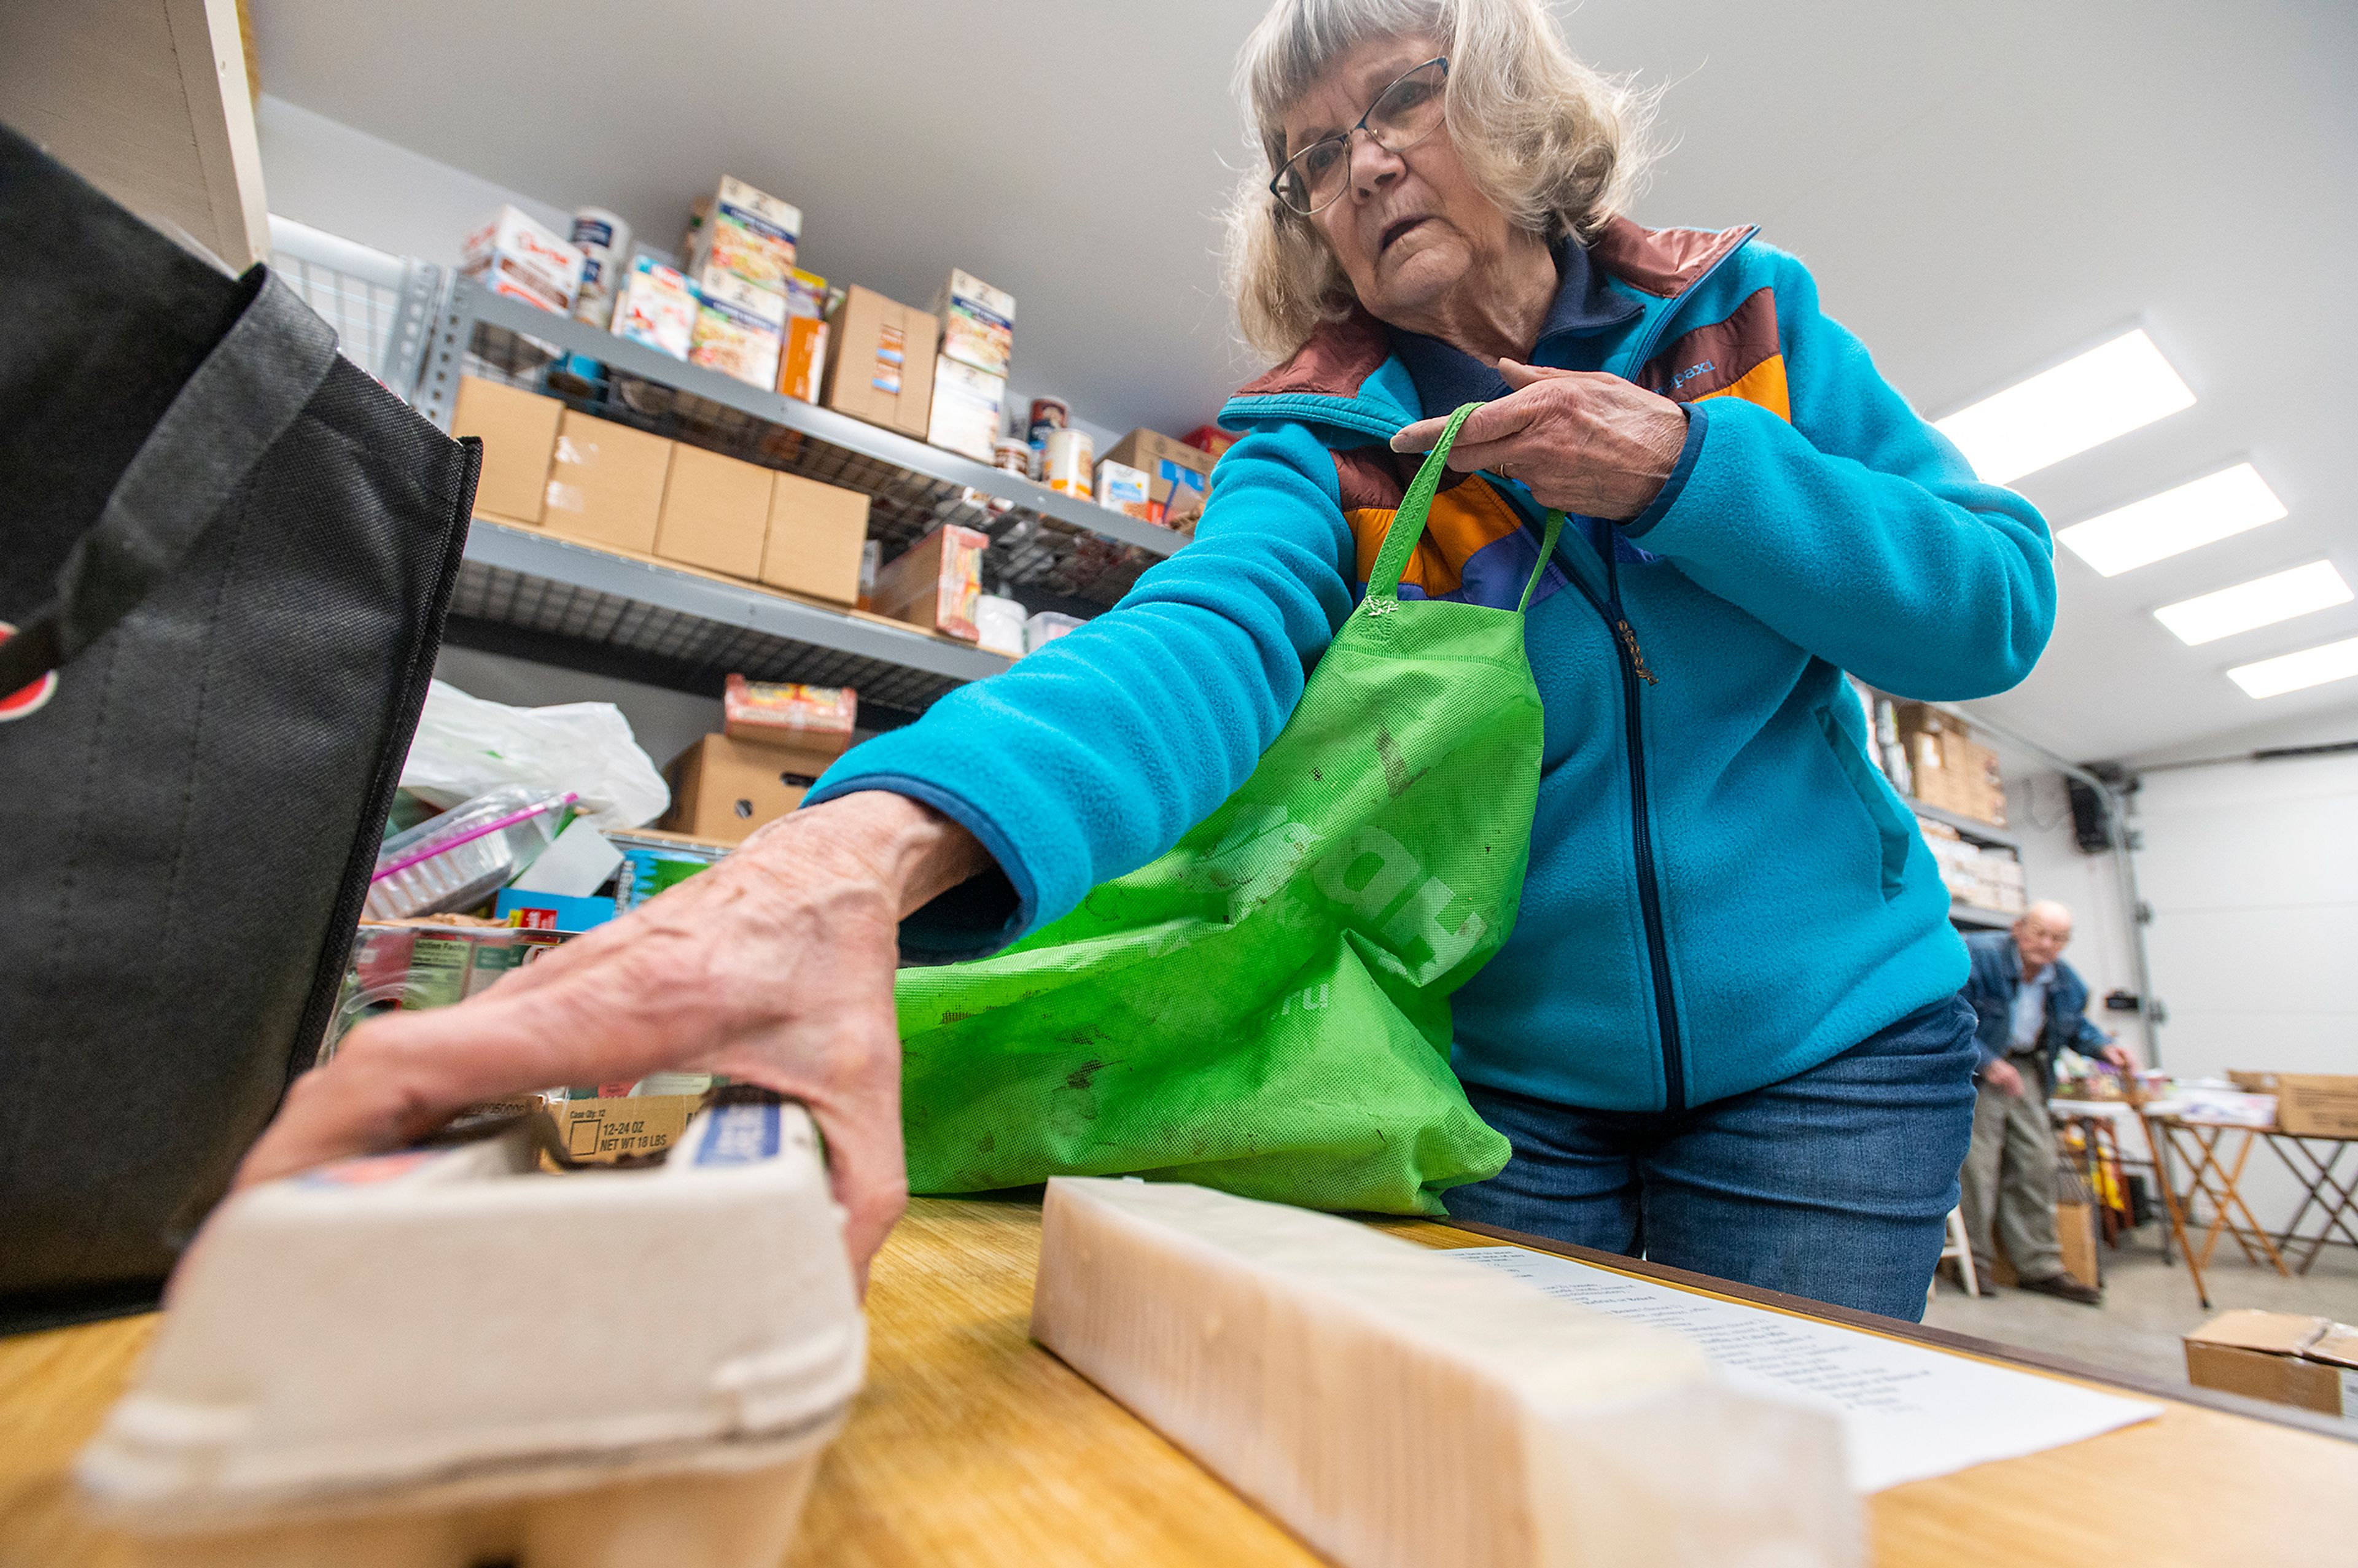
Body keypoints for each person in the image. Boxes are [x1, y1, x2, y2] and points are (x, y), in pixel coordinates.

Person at [235, 0, 2056, 1319]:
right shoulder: (1319, 438)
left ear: (1510, 97)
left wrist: (1680, 468)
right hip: (1508, 1078)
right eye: (1313, 157)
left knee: (1773, 1473)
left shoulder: (1743, 317)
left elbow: (1991, 600)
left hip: (1834, 1049)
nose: (1358, 166)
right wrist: (838, 862)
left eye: (1400, 100)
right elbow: (1201, 640)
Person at [1957, 901, 2131, 1304]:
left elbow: (2076, 1026)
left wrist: (2105, 1049)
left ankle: (2040, 1266)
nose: (2047, 944)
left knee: (2038, 1163)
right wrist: (1988, 1061)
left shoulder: (2066, 981)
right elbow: (1946, 1014)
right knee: (1978, 1166)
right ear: (2019, 928)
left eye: (2058, 938)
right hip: (1980, 1073)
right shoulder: (1976, 956)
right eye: (2039, 933)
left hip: (2027, 1071)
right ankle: (1974, 1263)